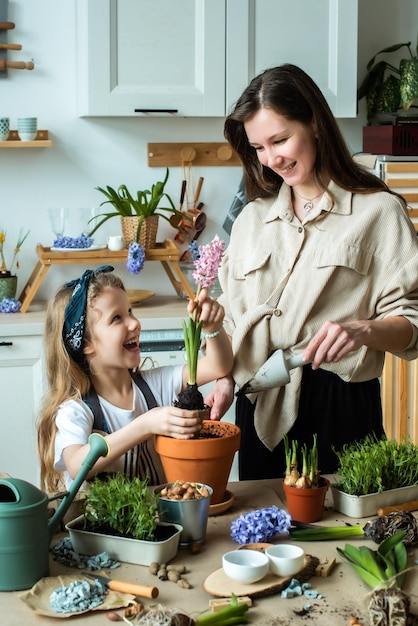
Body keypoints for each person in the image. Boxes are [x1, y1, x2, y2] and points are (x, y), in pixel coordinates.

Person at [205, 63, 418, 480]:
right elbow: (233, 319)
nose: (272, 159)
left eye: (280, 139)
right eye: (259, 148)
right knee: (263, 540)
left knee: (346, 538)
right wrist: (226, 378)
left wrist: (362, 331)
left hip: (340, 406)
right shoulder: (251, 219)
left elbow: (413, 320)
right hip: (259, 404)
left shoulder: (378, 212)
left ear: (316, 125)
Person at [37, 265, 233, 492]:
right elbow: (76, 465)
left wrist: (213, 328)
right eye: (117, 318)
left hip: (162, 521)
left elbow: (219, 366)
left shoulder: (154, 384)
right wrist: (145, 424)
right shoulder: (76, 410)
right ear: (86, 344)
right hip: (101, 525)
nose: (134, 323)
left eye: (130, 311)